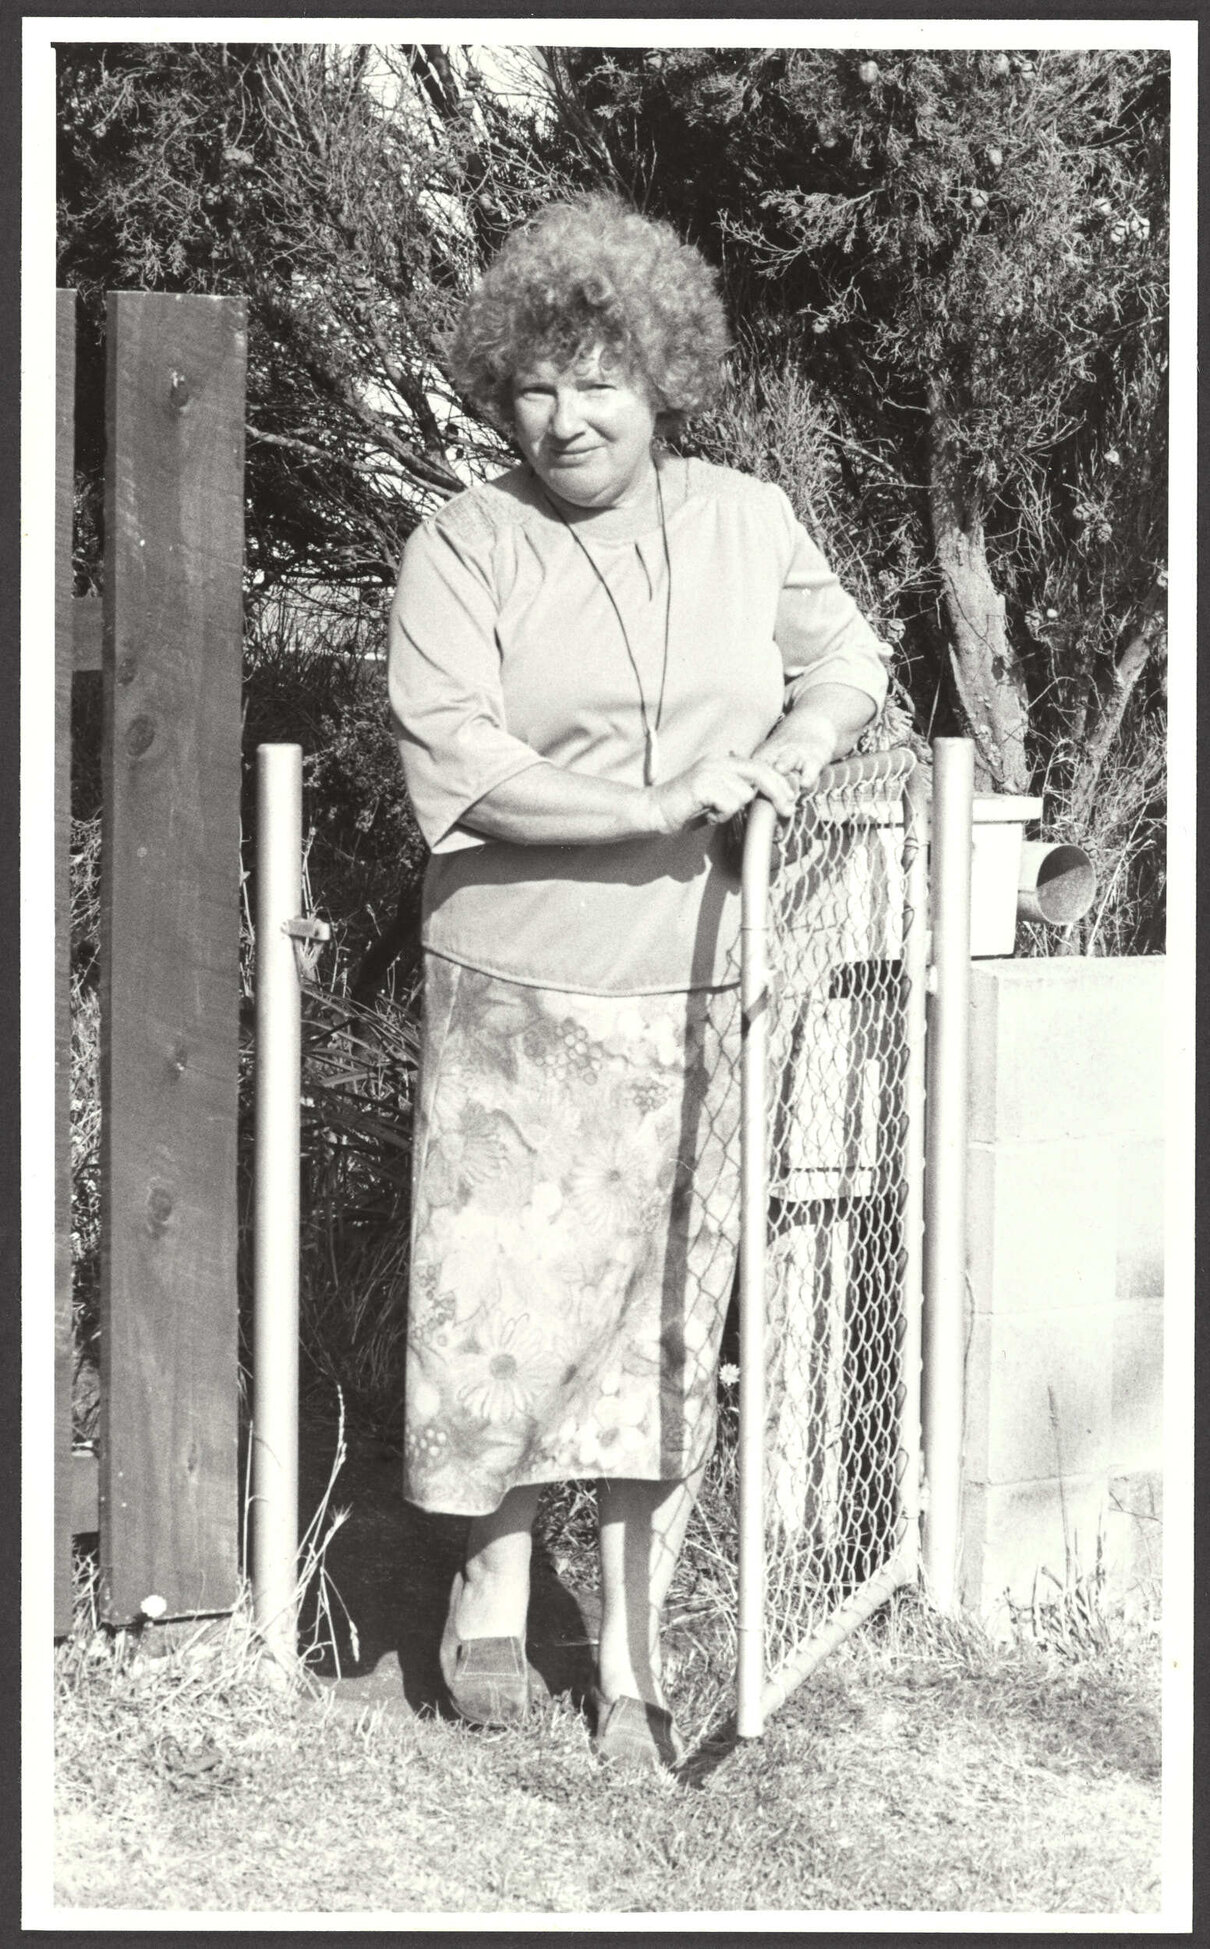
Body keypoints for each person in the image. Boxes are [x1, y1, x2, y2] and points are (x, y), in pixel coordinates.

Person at [388, 193, 890, 1769]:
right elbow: (457, 762)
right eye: (534, 381)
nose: (565, 415)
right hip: (518, 995)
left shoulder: (746, 519)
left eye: (598, 378)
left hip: (699, 984)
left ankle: (634, 1647)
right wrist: (646, 808)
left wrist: (791, 757)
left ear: (662, 377)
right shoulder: (465, 541)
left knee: (658, 1324)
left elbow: (849, 662)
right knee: (507, 1315)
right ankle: (485, 1580)